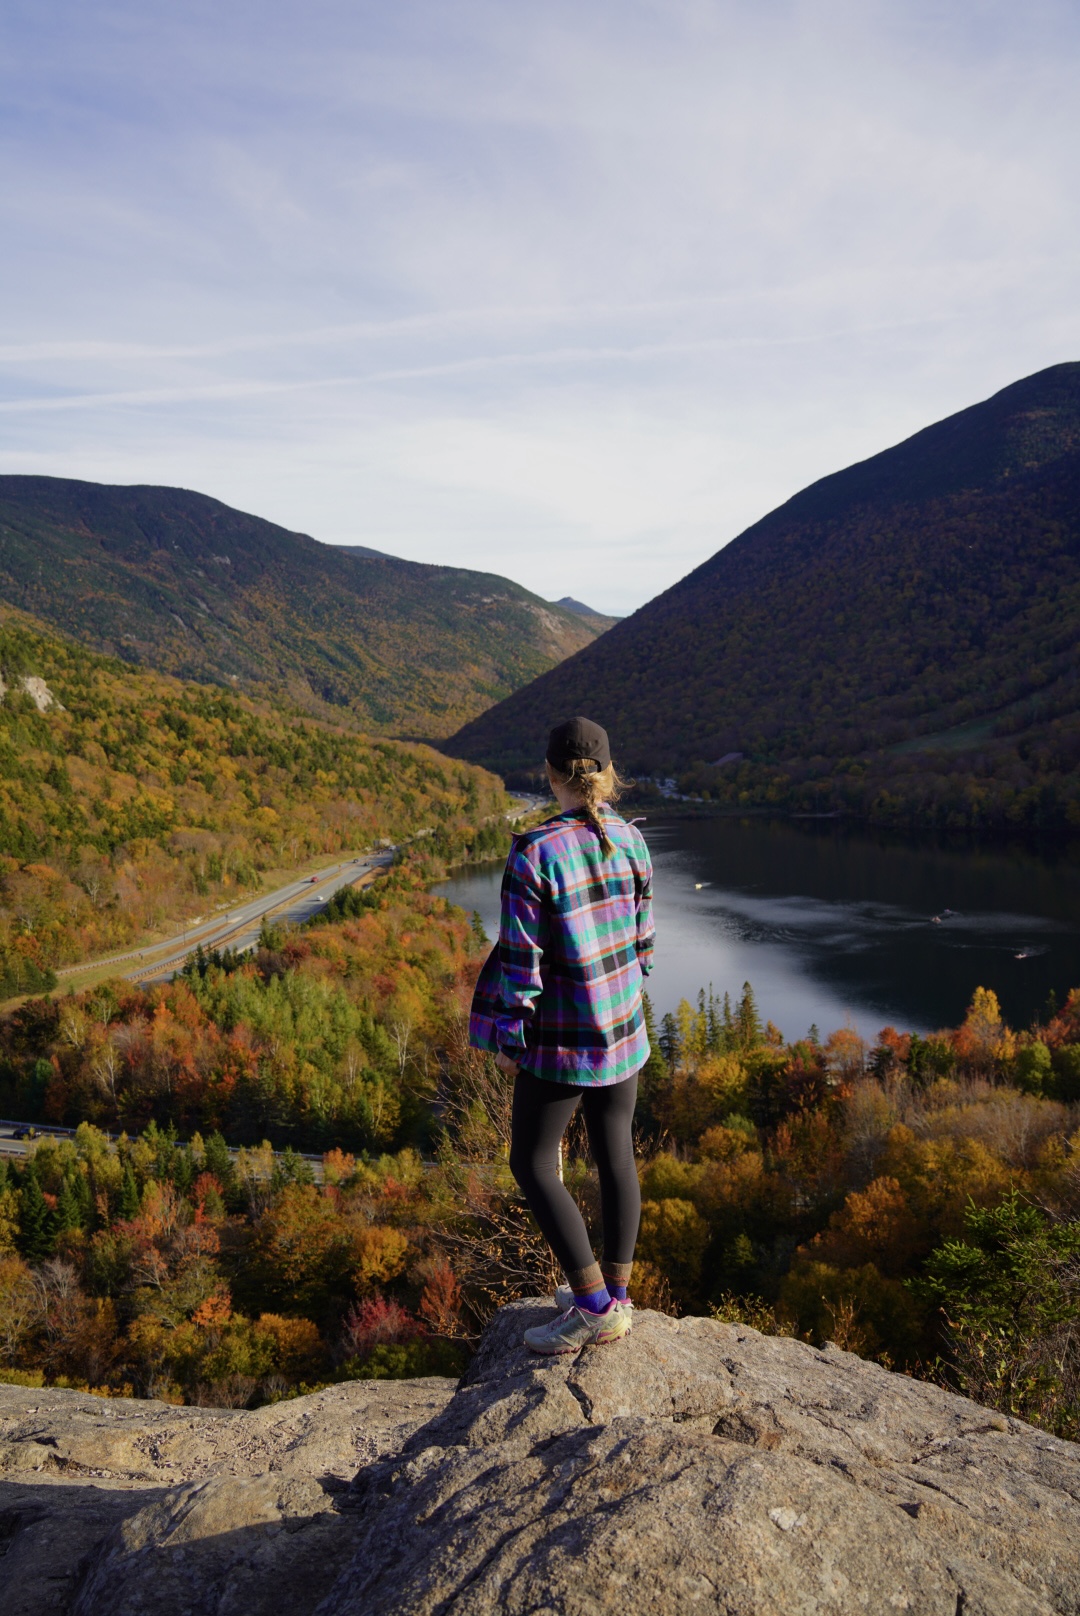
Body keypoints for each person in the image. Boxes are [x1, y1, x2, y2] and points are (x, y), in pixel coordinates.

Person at [469, 715, 655, 1355]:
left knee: (531, 1162)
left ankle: (596, 1306)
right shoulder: (632, 839)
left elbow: (522, 966)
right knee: (615, 1154)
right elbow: (645, 942)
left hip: (562, 1039)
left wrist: (510, 1035)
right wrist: (625, 991)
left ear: (549, 775)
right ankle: (618, 1294)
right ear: (607, 774)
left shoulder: (534, 851)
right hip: (623, 1028)